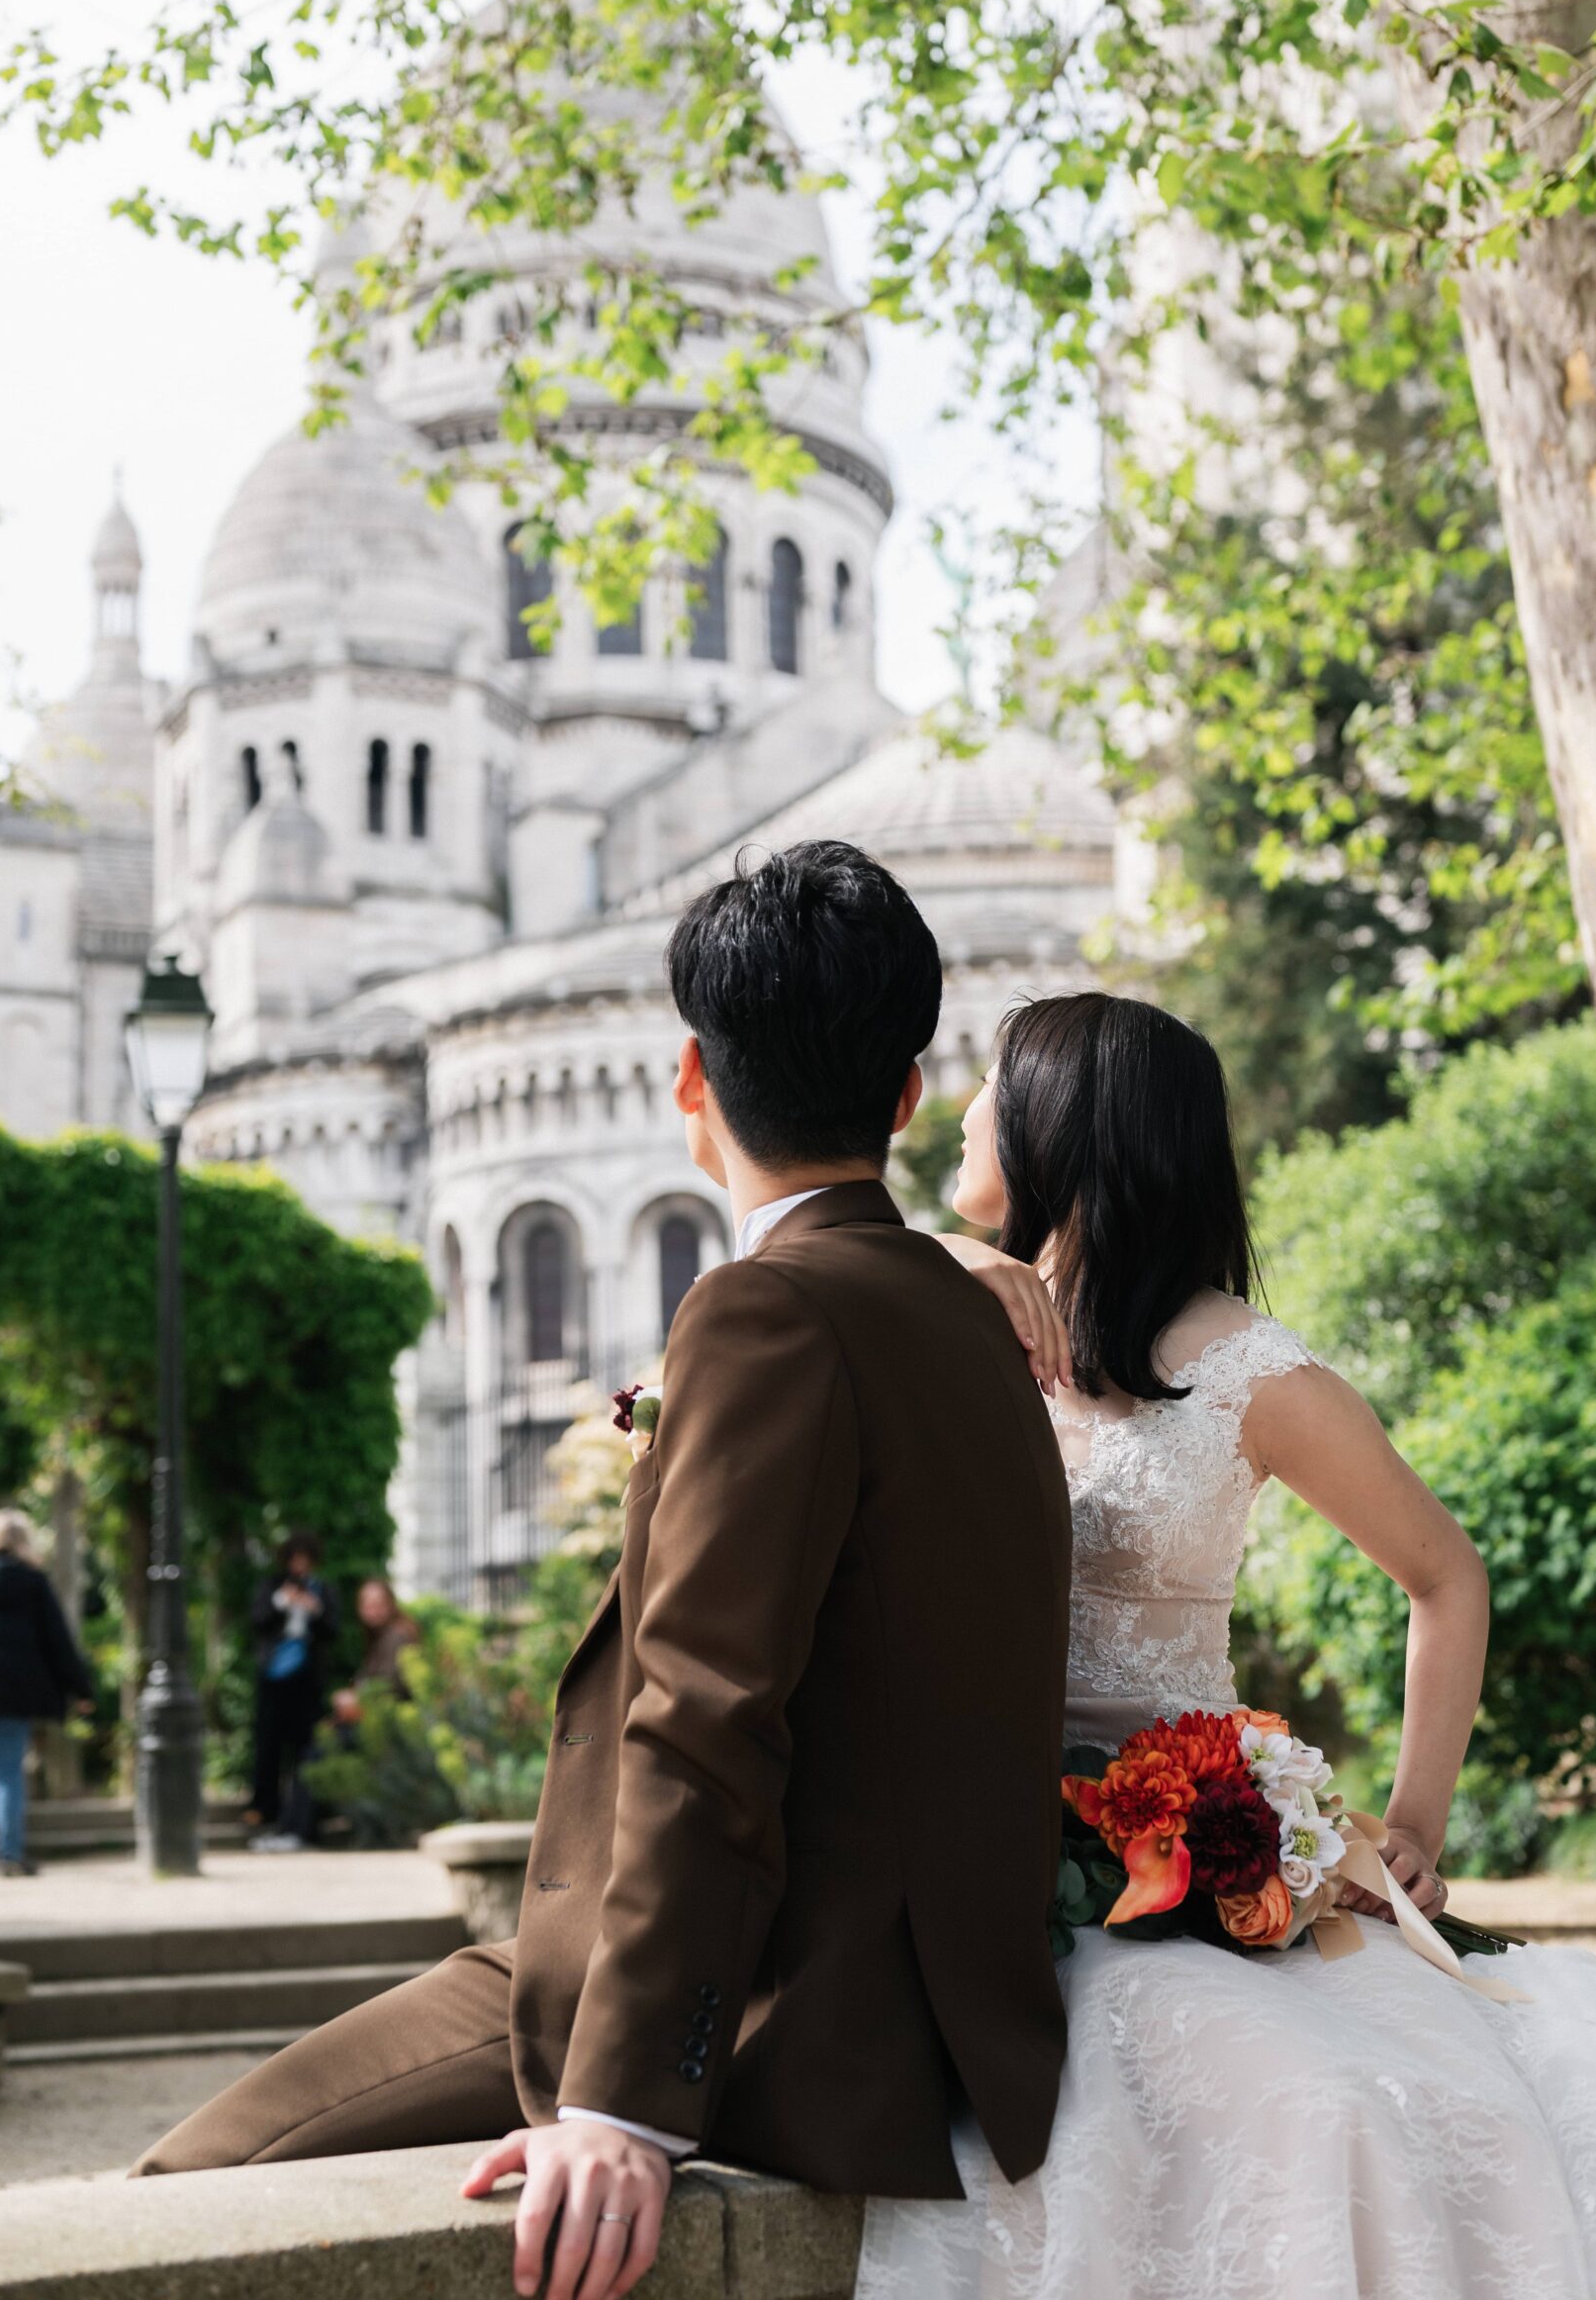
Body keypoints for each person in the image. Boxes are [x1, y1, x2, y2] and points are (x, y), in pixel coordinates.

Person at [133, 838, 1075, 2300]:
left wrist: (622, 2102)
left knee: (185, 2189)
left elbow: (704, 1712)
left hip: (774, 1997)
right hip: (935, 1991)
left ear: (687, 1077)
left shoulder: (761, 1312)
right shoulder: (980, 1328)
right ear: (903, 1095)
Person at [855, 991, 1596, 2300]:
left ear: (1069, 1121)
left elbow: (1445, 1575)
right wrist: (949, 1256)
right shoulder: (955, 1312)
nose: (965, 1104)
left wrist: (1412, 1824)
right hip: (977, 1847)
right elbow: (800, 1279)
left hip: (1180, 1864)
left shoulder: (1251, 1376)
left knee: (1326, 2105)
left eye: (994, 1081)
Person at [0, 1508, 93, 1877]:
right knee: (7, 1770)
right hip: (12, 1690)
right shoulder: (31, 1581)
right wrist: (80, 1689)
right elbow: (57, 1641)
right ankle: (9, 1853)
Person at [245, 1531, 337, 1854]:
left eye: (305, 1559)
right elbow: (258, 1621)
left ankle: (303, 1814)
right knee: (268, 1742)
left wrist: (315, 1609)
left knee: (306, 1747)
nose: (300, 1565)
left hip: (307, 1681)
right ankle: (265, 1807)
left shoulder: (321, 1589)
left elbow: (332, 1630)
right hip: (274, 1678)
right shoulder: (272, 1586)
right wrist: (281, 1602)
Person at [329, 1578, 421, 1729]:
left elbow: (389, 1684)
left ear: (390, 1605)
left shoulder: (396, 1635)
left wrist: (356, 1696)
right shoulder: (379, 1635)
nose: (372, 1609)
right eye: (367, 1603)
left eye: (378, 1603)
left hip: (395, 1723)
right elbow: (366, 1675)